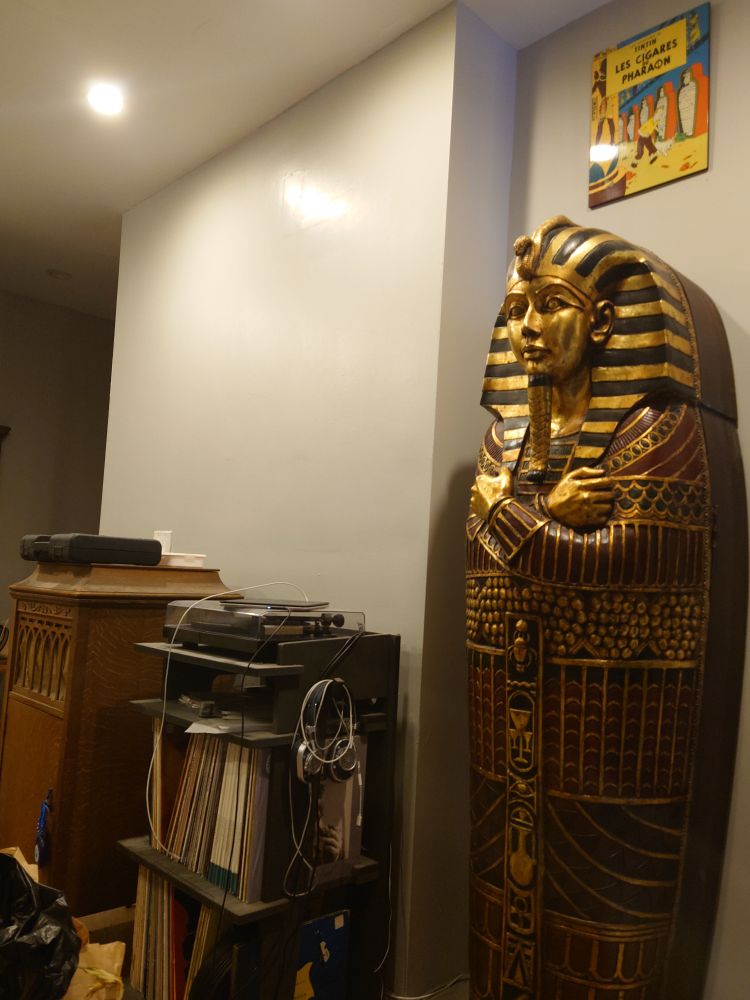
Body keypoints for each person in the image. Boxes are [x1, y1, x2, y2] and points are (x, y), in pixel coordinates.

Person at [466, 216, 713, 999]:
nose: (528, 330)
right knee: (496, 909)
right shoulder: (508, 442)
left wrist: (511, 514)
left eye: (552, 306)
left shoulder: (655, 431)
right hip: (502, 712)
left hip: (615, 727)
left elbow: (626, 565)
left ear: (606, 322)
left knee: (599, 936)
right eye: (517, 312)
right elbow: (479, 562)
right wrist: (543, 516)